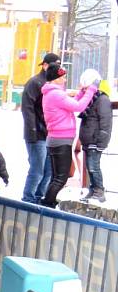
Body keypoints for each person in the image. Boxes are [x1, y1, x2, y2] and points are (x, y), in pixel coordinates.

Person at [40, 63, 98, 208]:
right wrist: (91, 90)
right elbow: (78, 107)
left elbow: (72, 103)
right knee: (61, 177)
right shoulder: (56, 94)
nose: (65, 79)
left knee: (55, 176)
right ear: (56, 78)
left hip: (55, 139)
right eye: (63, 77)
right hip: (61, 140)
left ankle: (49, 201)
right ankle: (47, 204)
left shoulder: (52, 93)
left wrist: (82, 93)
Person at [21, 52, 59, 204]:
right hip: (37, 134)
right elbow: (27, 108)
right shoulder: (35, 82)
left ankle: (38, 197)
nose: (58, 68)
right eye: (54, 65)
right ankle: (28, 199)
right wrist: (33, 131)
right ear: (44, 65)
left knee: (49, 171)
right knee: (37, 169)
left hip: (50, 134)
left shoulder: (53, 84)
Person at [78, 68, 112, 203]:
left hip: (95, 140)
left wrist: (101, 140)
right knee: (89, 167)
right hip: (89, 139)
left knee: (93, 166)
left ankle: (99, 190)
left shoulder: (102, 99)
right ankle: (93, 189)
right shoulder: (92, 99)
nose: (85, 91)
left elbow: (105, 121)